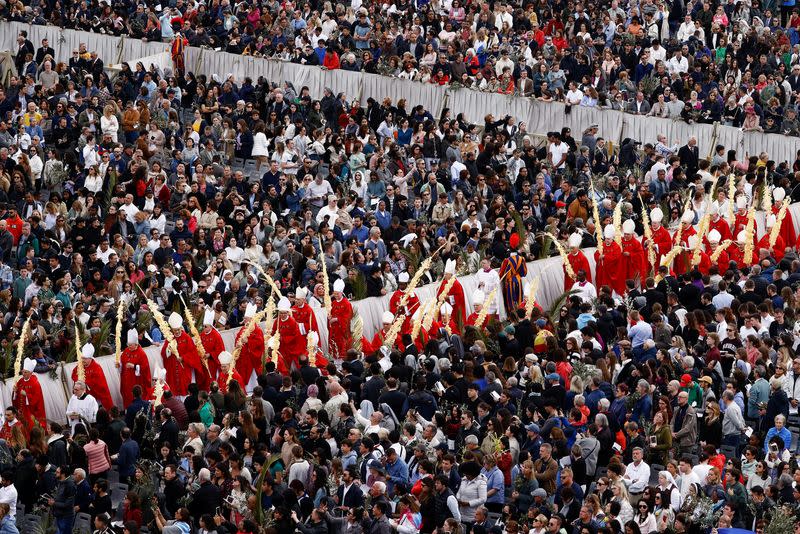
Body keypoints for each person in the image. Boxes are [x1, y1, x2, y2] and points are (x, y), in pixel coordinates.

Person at [118, 330, 151, 408]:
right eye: (128, 344)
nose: (128, 347)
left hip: (136, 381)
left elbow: (145, 368)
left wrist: (134, 366)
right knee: (127, 396)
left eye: (130, 345)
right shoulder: (126, 351)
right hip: (127, 381)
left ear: (136, 344)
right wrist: (119, 365)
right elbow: (122, 362)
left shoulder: (141, 353)